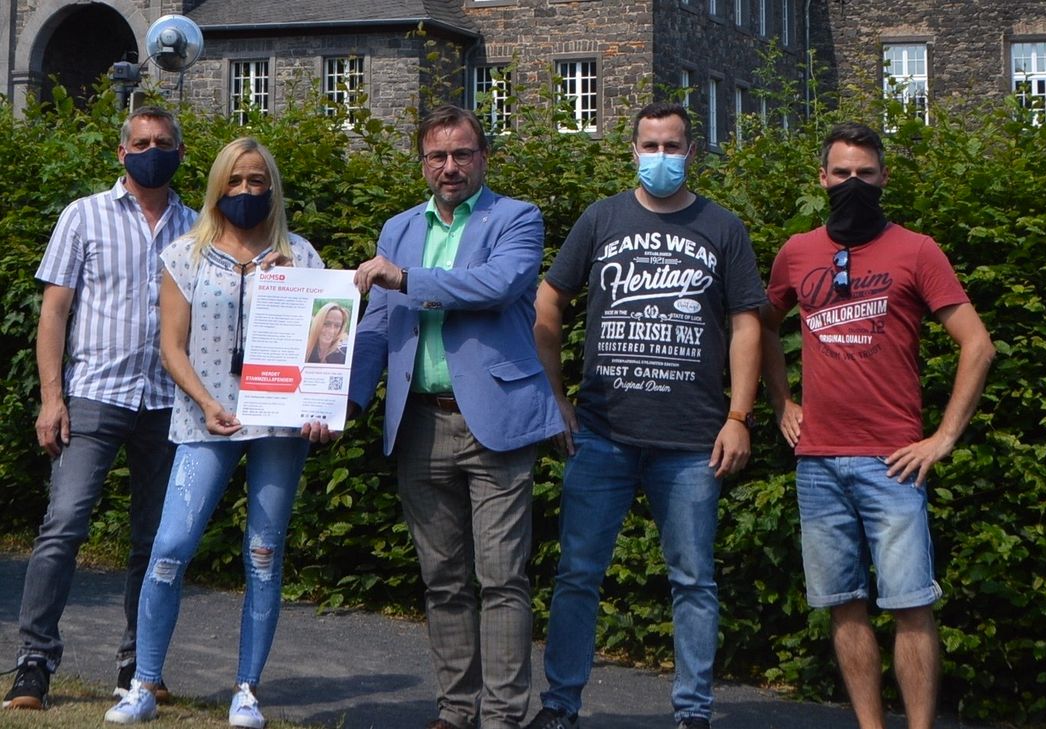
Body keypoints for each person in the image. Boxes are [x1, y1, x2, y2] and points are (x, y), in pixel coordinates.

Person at [525, 101, 765, 729]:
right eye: (651, 146)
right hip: (602, 432)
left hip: (691, 440)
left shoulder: (723, 227)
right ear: (633, 151)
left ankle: (693, 713)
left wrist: (739, 415)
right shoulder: (602, 218)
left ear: (692, 152)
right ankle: (560, 705)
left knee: (694, 580)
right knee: (578, 575)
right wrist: (555, 396)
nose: (661, 157)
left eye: (672, 146)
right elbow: (548, 301)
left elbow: (746, 324)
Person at [759, 122, 995, 729]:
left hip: (893, 461)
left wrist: (943, 438)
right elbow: (761, 325)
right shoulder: (797, 252)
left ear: (885, 177)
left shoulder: (917, 250)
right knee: (844, 607)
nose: (853, 184)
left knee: (911, 606)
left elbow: (977, 345)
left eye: (865, 173)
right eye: (842, 173)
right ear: (822, 178)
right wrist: (782, 402)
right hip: (818, 461)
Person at [103, 137, 336, 728]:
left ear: (272, 188)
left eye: (257, 181)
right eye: (235, 180)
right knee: (170, 547)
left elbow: (323, 347)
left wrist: (319, 407)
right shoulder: (186, 254)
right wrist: (206, 403)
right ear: (217, 187)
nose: (246, 191)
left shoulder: (301, 256)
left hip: (278, 424)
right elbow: (171, 346)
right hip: (205, 419)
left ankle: (247, 690)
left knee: (264, 552)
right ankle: (143, 682)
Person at [349, 104, 564, 729]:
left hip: (495, 420)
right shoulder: (398, 229)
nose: (450, 167)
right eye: (437, 156)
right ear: (422, 164)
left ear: (483, 158)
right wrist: (347, 402)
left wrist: (406, 278)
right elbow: (378, 325)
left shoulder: (516, 217)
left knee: (501, 578)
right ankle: (456, 709)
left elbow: (496, 285)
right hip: (418, 420)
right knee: (442, 579)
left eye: (462, 154)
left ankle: (501, 716)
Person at [2, 106, 197, 711]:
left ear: (180, 153)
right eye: (141, 143)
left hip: (167, 401)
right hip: (94, 394)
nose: (151, 151)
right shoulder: (83, 215)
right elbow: (55, 312)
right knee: (63, 525)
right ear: (121, 152)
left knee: (154, 541)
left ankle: (139, 667)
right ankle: (34, 663)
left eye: (162, 143)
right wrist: (51, 398)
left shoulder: (198, 228)